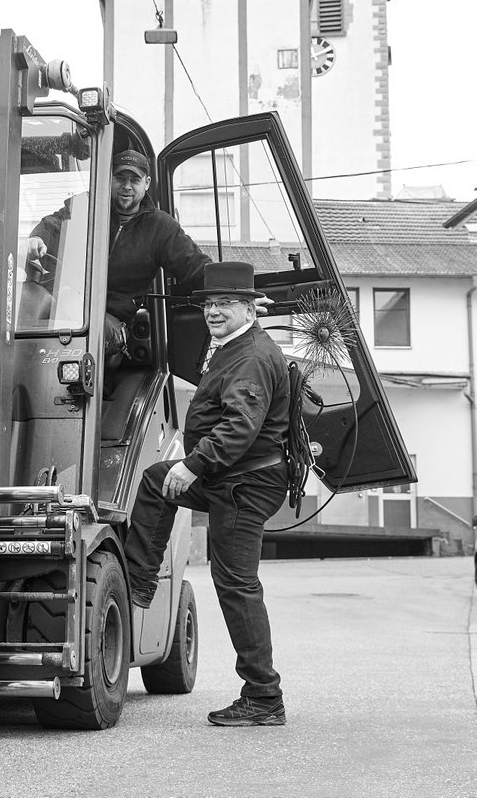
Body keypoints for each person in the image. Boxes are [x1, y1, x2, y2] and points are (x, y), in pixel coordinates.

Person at [124, 261, 291, 727]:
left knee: (237, 584)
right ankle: (140, 581)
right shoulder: (233, 347)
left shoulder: (251, 356)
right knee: (158, 481)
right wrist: (186, 457)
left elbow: (241, 426)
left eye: (225, 304)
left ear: (249, 308)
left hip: (244, 484)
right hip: (233, 475)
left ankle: (264, 696)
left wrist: (194, 465)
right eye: (209, 304)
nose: (213, 312)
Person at [26, 150, 211, 356]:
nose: (127, 186)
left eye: (135, 180)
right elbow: (51, 226)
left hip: (111, 322)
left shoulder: (161, 227)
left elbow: (196, 268)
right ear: (109, 178)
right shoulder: (84, 207)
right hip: (65, 306)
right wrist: (36, 239)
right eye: (120, 178)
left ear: (147, 182)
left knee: (87, 326)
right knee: (29, 300)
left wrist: (233, 293)